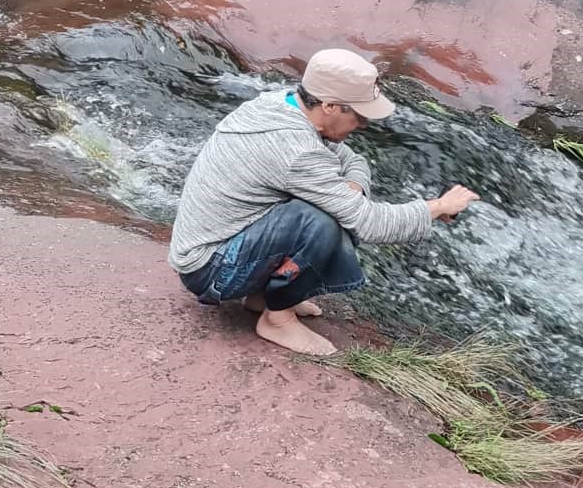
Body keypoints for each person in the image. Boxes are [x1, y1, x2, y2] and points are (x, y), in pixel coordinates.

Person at [169, 48, 479, 355]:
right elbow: (368, 224)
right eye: (359, 115)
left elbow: (354, 160)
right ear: (330, 106)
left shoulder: (283, 105)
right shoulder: (297, 150)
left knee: (331, 205)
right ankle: (277, 319)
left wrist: (352, 190)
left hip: (215, 247)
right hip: (212, 269)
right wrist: (437, 207)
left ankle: (262, 296)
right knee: (322, 220)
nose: (363, 125)